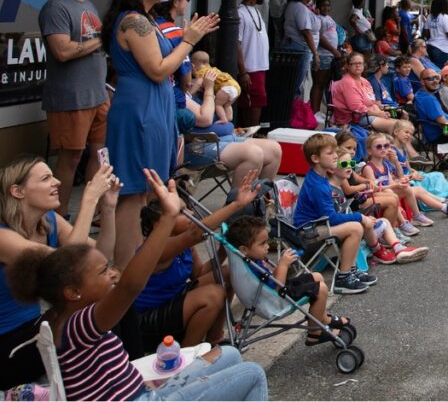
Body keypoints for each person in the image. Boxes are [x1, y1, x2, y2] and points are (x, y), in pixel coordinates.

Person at [6, 171, 269, 401]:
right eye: (103, 272)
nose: (112, 275)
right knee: (252, 373)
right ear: (73, 292)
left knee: (230, 355)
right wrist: (168, 217)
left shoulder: (64, 315)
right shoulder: (79, 322)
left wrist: (108, 208)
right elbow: (130, 286)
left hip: (142, 390)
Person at [102, 0, 218, 269]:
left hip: (155, 106)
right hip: (140, 107)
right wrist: (189, 40)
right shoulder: (132, 21)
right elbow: (158, 69)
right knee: (133, 192)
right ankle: (127, 270)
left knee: (148, 190)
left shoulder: (146, 20)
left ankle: (141, 262)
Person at [0, 156, 119, 389]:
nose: (57, 182)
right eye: (46, 179)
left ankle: (129, 370)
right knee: (94, 318)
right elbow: (71, 267)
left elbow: (101, 257)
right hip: (9, 344)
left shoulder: (50, 221)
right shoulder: (3, 237)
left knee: (112, 297)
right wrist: (89, 200)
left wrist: (108, 209)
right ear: (17, 191)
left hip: (39, 327)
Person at [133, 170, 262, 352]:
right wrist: (236, 205)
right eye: (181, 212)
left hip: (172, 302)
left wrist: (222, 252)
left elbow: (199, 273)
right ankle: (188, 355)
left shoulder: (184, 245)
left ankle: (214, 340)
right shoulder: (159, 247)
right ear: (159, 224)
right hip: (147, 320)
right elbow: (196, 233)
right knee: (213, 295)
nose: (191, 213)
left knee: (228, 272)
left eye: (187, 209)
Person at [37, 0, 109, 217]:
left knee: (99, 156)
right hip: (70, 97)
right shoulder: (56, 8)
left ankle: (88, 214)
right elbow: (63, 51)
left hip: (97, 94)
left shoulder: (89, 7)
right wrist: (102, 39)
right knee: (70, 159)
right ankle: (59, 217)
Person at [293, 133, 413, 293]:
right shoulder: (318, 185)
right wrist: (360, 216)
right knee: (355, 227)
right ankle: (343, 278)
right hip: (309, 232)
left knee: (356, 224)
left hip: (319, 224)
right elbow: (332, 218)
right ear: (315, 159)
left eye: (335, 152)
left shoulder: (319, 177)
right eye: (330, 153)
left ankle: (352, 269)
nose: (335, 156)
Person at [225, 215, 353, 346]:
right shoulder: (251, 265)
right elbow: (278, 288)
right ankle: (314, 333)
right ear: (244, 250)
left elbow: (271, 279)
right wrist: (283, 265)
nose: (267, 246)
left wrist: (281, 266)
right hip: (275, 299)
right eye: (262, 244)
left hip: (273, 291)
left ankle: (323, 318)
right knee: (320, 288)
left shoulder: (250, 260)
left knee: (317, 276)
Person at [330, 52, 400, 133]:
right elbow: (357, 108)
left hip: (375, 112)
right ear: (348, 66)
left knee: (403, 123)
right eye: (354, 63)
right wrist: (379, 113)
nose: (357, 65)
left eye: (360, 63)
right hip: (356, 118)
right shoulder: (347, 82)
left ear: (363, 65)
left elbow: (373, 102)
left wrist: (382, 112)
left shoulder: (365, 81)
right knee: (398, 127)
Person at [237, 0, 270, 127]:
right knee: (253, 101)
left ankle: (253, 131)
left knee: (259, 101)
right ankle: (251, 133)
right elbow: (237, 44)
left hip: (260, 65)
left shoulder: (256, 11)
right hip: (250, 67)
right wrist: (243, 71)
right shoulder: (240, 13)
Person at [280, 0, 318, 98]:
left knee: (290, 82)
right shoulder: (300, 8)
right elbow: (306, 31)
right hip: (299, 47)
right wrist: (315, 53)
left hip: (291, 44)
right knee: (297, 83)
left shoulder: (292, 5)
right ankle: (294, 112)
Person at [188, 50, 240, 124]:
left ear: (194, 65)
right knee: (227, 104)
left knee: (218, 104)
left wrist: (189, 93)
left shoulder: (202, 71)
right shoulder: (211, 69)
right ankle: (229, 117)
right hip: (235, 86)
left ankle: (223, 119)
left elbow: (198, 83)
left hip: (226, 87)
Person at [311, 0, 344, 116]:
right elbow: (319, 37)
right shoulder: (318, 19)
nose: (326, 8)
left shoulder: (329, 18)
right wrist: (333, 50)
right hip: (323, 54)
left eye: (328, 5)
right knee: (318, 84)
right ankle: (314, 111)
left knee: (325, 84)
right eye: (323, 5)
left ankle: (321, 110)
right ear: (318, 7)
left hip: (331, 55)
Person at [424, 0, 448, 67]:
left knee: (433, 69)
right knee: (442, 70)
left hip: (430, 47)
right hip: (441, 49)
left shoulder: (429, 17)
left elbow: (426, 33)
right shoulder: (445, 17)